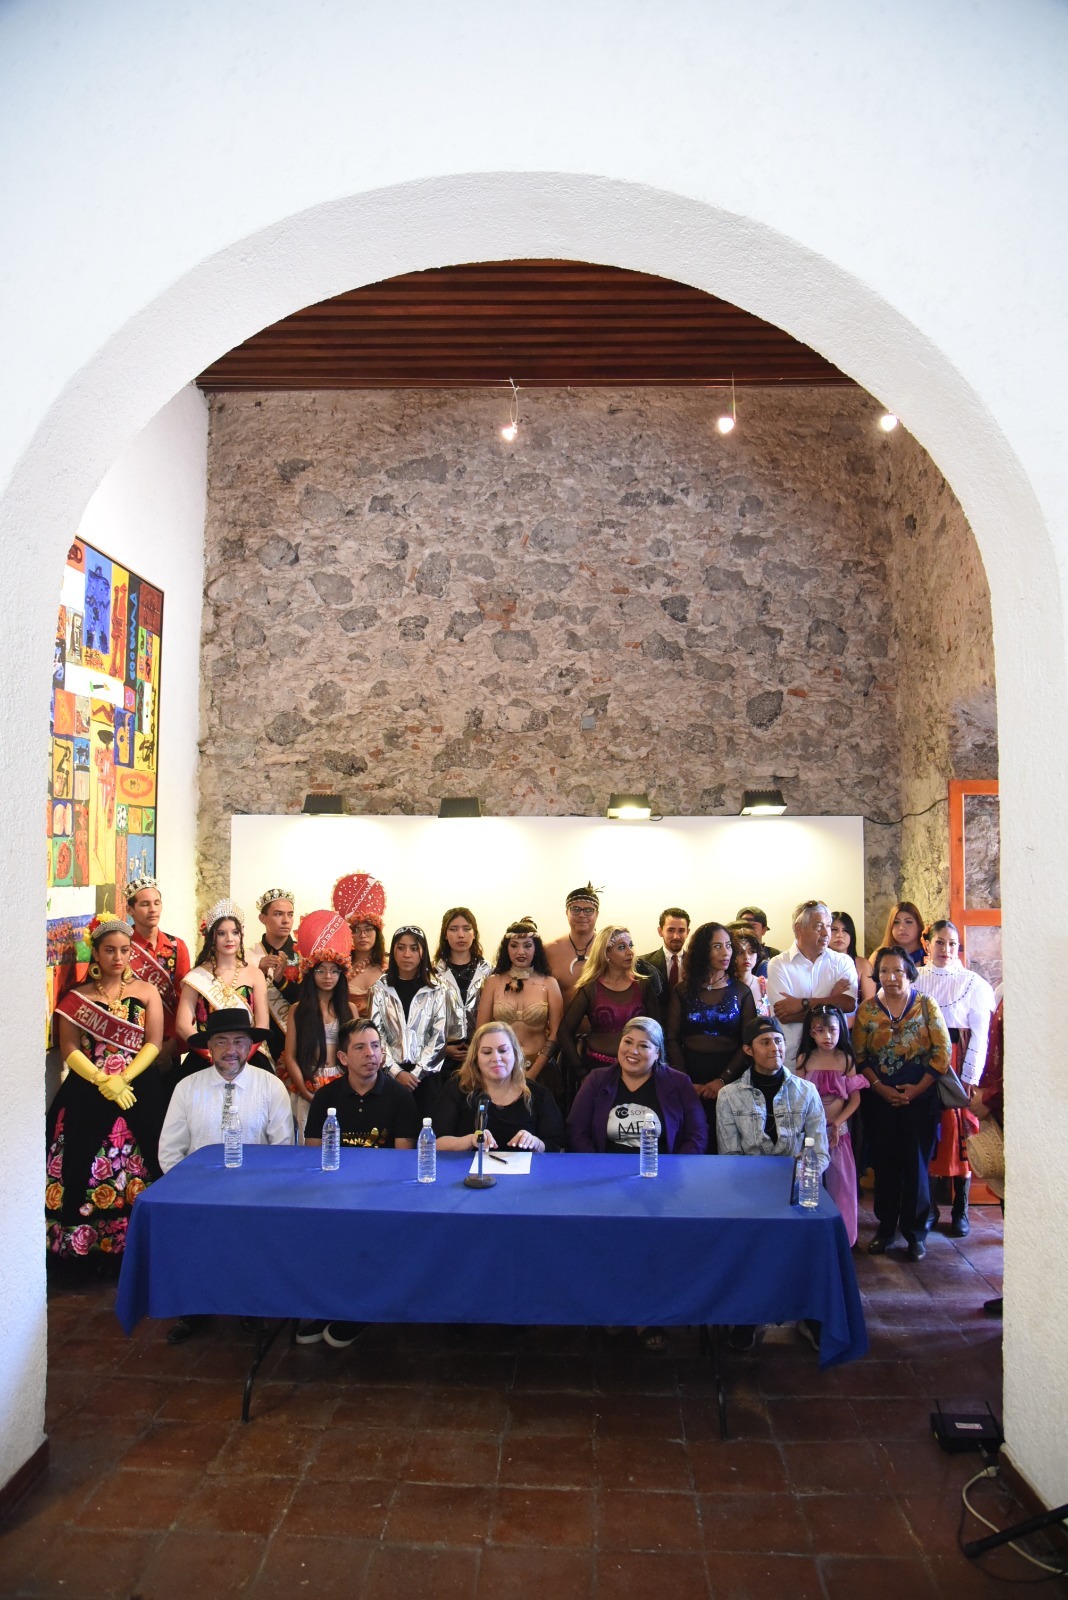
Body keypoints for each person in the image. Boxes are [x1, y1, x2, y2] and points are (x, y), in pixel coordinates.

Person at [569, 1016, 707, 1347]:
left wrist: (669, 1173)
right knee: (607, 1238)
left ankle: (647, 1315)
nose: (632, 1051)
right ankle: (614, 1306)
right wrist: (599, 1171)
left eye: (643, 1045)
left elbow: (697, 1135)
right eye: (627, 1042)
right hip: (605, 1180)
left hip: (661, 1180)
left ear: (658, 1053)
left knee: (653, 1241)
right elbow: (577, 1130)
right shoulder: (597, 1080)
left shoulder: (678, 1083)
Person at [157, 1007, 294, 1343]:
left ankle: (249, 1305)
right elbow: (170, 1150)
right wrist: (190, 1191)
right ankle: (193, 1309)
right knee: (189, 1237)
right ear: (209, 1047)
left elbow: (283, 1148)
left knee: (252, 1241)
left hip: (255, 1195)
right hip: (198, 1193)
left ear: (250, 1046)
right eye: (221, 1041)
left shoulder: (271, 1086)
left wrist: (260, 1192)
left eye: (238, 1041)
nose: (230, 1050)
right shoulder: (187, 1088)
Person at [300, 1018, 423, 1348]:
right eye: (360, 1048)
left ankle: (359, 1309)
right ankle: (328, 1306)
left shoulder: (400, 1097)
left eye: (375, 1046)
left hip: (382, 1193)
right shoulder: (326, 1096)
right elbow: (313, 1154)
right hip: (334, 1191)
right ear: (343, 1058)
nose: (371, 1054)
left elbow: (403, 1160)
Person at [47, 916, 164, 1263]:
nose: (118, 957)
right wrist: (102, 1080)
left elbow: (154, 1042)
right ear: (96, 953)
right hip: (87, 1090)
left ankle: (140, 1241)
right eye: (110, 950)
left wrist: (123, 1078)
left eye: (125, 950)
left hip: (138, 1086)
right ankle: (85, 1245)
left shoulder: (146, 992)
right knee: (82, 1157)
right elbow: (69, 1048)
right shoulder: (76, 998)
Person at [716, 1015, 829, 1350]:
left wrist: (799, 1180)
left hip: (799, 1187)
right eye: (765, 1042)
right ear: (748, 1050)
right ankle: (748, 1314)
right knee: (750, 1238)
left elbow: (820, 1152)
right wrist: (762, 1192)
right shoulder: (729, 1096)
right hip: (748, 1191)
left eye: (778, 1041)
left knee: (816, 1236)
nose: (774, 1048)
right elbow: (730, 1156)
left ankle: (811, 1314)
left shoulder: (807, 1091)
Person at [852, 946, 952, 1261]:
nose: (891, 977)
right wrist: (881, 1088)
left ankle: (915, 1233)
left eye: (897, 970)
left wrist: (916, 1089)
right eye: (884, 971)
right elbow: (860, 1056)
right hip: (880, 1100)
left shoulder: (926, 1005)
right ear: (876, 975)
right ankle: (885, 1229)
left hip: (920, 1100)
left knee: (916, 1166)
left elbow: (942, 1053)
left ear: (909, 972)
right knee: (885, 1165)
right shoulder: (867, 1010)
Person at [915, 919, 996, 1237]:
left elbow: (980, 1034)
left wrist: (969, 1076)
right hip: (924, 1062)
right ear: (928, 944)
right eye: (940, 942)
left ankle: (961, 1208)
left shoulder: (973, 983)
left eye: (952, 944)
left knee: (960, 1134)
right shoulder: (914, 978)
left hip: (958, 1061)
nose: (946, 949)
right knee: (929, 1133)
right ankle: (930, 1208)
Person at [434, 1021, 566, 1154]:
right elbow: (436, 1142)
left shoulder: (539, 1094)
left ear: (515, 1054)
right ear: (475, 1058)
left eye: (503, 1051)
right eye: (487, 1052)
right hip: (468, 1167)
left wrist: (536, 1143)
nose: (496, 1058)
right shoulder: (459, 1088)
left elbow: (556, 1145)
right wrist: (469, 1140)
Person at [558, 925, 661, 1094]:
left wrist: (658, 1065)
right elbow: (564, 1031)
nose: (630, 952)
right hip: (598, 1068)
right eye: (621, 947)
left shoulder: (643, 985)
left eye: (631, 945)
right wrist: (581, 1072)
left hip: (639, 1069)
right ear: (606, 954)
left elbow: (658, 1030)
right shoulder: (590, 988)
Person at [175, 899, 271, 1078]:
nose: (229, 939)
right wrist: (211, 1055)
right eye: (221, 933)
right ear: (212, 937)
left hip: (249, 1057)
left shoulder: (255, 974)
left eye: (235, 932)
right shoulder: (197, 976)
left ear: (241, 934)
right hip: (205, 1057)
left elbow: (262, 1024)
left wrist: (242, 1057)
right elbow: (182, 1025)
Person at [795, 1006, 866, 1246]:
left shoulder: (846, 1060)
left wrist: (839, 1121)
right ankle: (809, 1237)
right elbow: (799, 1098)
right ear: (811, 1033)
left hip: (838, 1134)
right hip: (811, 1134)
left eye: (833, 1030)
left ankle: (843, 1238)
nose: (827, 1036)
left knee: (842, 1185)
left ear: (841, 1030)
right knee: (809, 1183)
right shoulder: (805, 1060)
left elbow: (855, 1099)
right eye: (820, 1030)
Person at [282, 910, 354, 1141]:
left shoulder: (350, 1010)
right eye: (321, 970)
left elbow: (355, 1052)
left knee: (344, 1139)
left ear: (341, 975)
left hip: (343, 1082)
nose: (327, 976)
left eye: (334, 971)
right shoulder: (298, 1009)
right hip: (310, 1079)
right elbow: (290, 1056)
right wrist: (304, 1090)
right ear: (310, 973)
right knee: (309, 1140)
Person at [665, 922, 756, 1106]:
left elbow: (748, 1042)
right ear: (702, 951)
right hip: (689, 1073)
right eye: (717, 946)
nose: (726, 952)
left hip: (732, 1075)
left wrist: (724, 1079)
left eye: (728, 946)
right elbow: (671, 1038)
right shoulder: (682, 991)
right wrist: (685, 1080)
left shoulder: (742, 992)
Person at [765, 900, 857, 1070]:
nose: (826, 933)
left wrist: (802, 1003)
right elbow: (784, 1015)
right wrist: (831, 1002)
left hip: (834, 1060)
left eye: (828, 926)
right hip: (792, 1059)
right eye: (819, 926)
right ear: (799, 928)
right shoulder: (778, 964)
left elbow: (848, 1004)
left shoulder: (842, 961)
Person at [370, 925, 447, 1114]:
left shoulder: (437, 989)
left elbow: (438, 1037)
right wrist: (396, 1072)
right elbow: (375, 1036)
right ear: (393, 951)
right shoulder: (380, 988)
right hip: (389, 1075)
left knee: (426, 1127)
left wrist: (417, 1073)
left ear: (423, 952)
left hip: (426, 1077)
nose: (407, 954)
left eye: (414, 948)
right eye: (401, 948)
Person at [477, 917, 563, 1085]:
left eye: (527, 945)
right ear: (506, 949)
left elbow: (556, 1033)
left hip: (540, 1067)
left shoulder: (549, 983)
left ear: (536, 949)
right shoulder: (493, 982)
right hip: (499, 1067)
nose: (521, 952)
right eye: (514, 945)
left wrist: (533, 1072)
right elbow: (482, 1031)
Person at [124, 875, 190, 1074]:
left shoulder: (176, 946)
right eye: (145, 904)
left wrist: (172, 1044)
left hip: (169, 1044)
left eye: (156, 903)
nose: (152, 909)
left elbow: (185, 999)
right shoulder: (123, 947)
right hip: (129, 1044)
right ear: (130, 910)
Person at [247, 887, 300, 1067]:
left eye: (290, 915)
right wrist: (259, 973)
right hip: (263, 1040)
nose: (286, 920)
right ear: (263, 918)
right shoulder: (249, 957)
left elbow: (309, 998)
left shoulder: (304, 954)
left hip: (298, 1035)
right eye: (278, 914)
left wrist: (281, 982)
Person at [434, 906, 491, 1068]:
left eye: (467, 929)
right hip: (443, 1056)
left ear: (474, 933)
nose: (461, 935)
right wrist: (443, 1048)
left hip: (481, 1051)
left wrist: (479, 1046)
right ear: (445, 934)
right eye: (453, 929)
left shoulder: (489, 971)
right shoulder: (432, 972)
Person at [332, 871, 387, 1016]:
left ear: (377, 933)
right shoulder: (339, 968)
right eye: (355, 930)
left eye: (368, 929)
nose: (362, 935)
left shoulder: (389, 967)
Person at [543, 883, 601, 1008]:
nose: (582, 915)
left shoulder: (608, 948)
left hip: (603, 1020)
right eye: (575, 909)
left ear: (597, 914)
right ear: (567, 913)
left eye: (588, 910)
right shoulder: (549, 950)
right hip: (562, 1019)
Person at [828, 910, 876, 1016]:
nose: (839, 935)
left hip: (857, 1022)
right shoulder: (817, 963)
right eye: (834, 930)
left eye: (845, 930)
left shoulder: (863, 965)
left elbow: (869, 1006)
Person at [638, 907, 690, 991]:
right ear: (660, 931)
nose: (676, 936)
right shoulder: (644, 963)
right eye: (670, 930)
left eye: (681, 931)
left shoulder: (697, 963)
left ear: (687, 932)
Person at [729, 925, 770, 1016]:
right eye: (740, 952)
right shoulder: (724, 986)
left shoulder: (766, 986)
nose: (746, 957)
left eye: (751, 951)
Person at [873, 901, 927, 969]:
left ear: (919, 925)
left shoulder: (930, 955)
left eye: (908, 922)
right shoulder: (878, 957)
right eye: (896, 922)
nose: (902, 928)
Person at [736, 906, 780, 974]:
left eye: (753, 927)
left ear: (764, 930)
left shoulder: (775, 956)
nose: (747, 931)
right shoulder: (729, 955)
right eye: (743, 926)